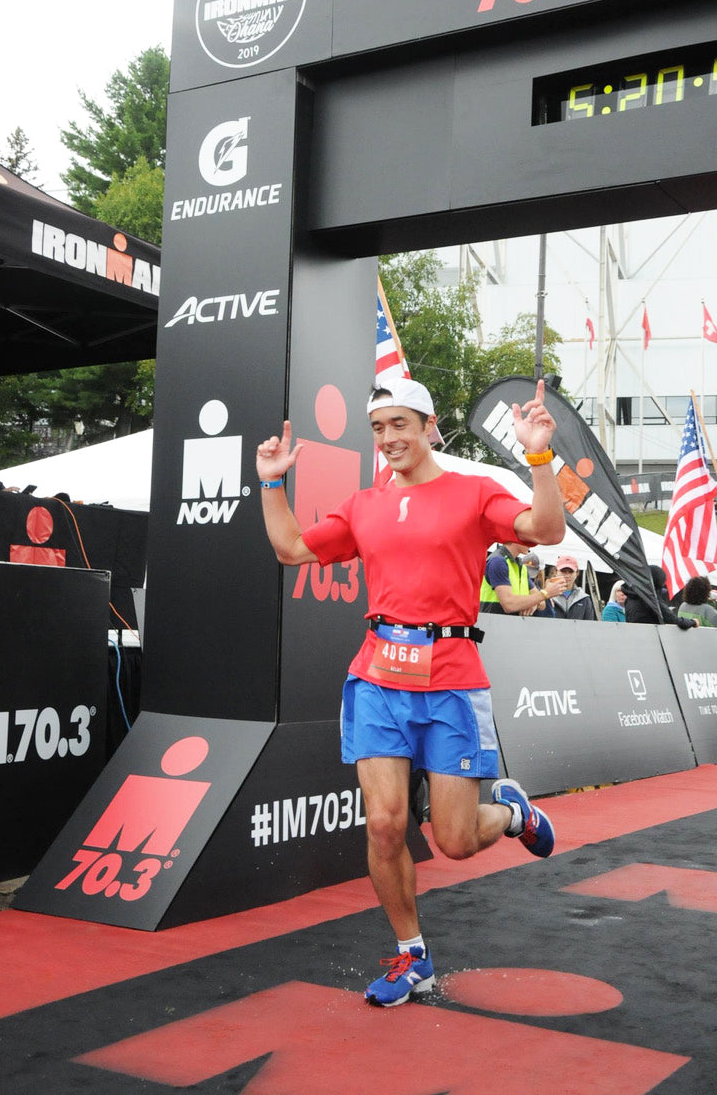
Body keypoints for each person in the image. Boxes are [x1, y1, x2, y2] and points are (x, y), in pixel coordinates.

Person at [256, 376, 566, 1007]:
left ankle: (513, 814)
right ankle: (411, 955)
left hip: (451, 679)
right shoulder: (363, 505)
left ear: (429, 427)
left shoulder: (472, 492)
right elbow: (290, 549)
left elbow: (547, 529)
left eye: (400, 424)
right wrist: (270, 483)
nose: (389, 437)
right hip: (376, 678)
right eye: (378, 427)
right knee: (385, 825)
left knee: (453, 842)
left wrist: (538, 456)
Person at [479, 540, 543, 616]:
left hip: (509, 622)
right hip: (492, 621)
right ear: (514, 538)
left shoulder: (521, 566)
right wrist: (546, 593)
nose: (532, 544)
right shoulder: (498, 561)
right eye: (528, 539)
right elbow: (509, 605)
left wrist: (533, 602)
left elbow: (542, 603)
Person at [623, 565, 697, 629]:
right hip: (650, 637)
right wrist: (692, 622)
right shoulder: (650, 599)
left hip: (633, 637)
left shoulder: (630, 597)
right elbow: (672, 620)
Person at [550, 554, 596, 619]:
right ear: (556, 572)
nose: (567, 575)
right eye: (563, 571)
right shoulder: (547, 596)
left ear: (577, 573)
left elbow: (589, 623)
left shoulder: (584, 598)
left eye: (571, 572)